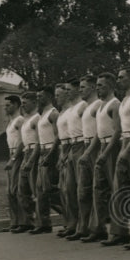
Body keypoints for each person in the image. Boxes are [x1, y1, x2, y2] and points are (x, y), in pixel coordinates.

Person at [103, 67, 130, 246]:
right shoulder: (124, 100)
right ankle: (120, 232)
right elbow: (121, 129)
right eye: (118, 77)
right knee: (119, 189)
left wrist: (128, 150)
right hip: (124, 142)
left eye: (122, 77)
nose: (118, 80)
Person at [91, 73, 122, 244]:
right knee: (99, 189)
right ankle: (99, 227)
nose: (97, 88)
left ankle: (119, 232)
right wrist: (92, 152)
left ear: (110, 86)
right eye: (96, 85)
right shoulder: (101, 106)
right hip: (102, 146)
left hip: (112, 147)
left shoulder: (115, 104)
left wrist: (106, 152)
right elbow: (98, 131)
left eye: (101, 85)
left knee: (115, 189)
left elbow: (117, 131)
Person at [75, 75, 104, 241]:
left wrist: (88, 152)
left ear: (93, 88)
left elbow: (99, 133)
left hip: (95, 147)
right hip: (85, 146)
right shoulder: (86, 107)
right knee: (84, 190)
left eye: (83, 87)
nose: (80, 90)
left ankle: (97, 227)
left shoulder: (98, 105)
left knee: (95, 189)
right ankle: (85, 226)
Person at [60, 78, 89, 240]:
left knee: (81, 189)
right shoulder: (70, 109)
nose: (66, 92)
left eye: (69, 89)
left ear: (77, 90)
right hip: (71, 146)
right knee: (69, 189)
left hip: (82, 145)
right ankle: (74, 223)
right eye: (65, 90)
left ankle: (83, 226)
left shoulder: (82, 106)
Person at [32, 85, 62, 233]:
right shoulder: (42, 114)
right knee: (40, 190)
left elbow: (58, 136)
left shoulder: (53, 113)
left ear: (49, 97)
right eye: (37, 96)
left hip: (51, 151)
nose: (38, 99)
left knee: (50, 189)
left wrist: (51, 155)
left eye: (41, 96)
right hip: (43, 152)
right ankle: (43, 224)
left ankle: (70, 217)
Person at [55, 80, 80, 236]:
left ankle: (75, 223)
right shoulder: (63, 112)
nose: (58, 97)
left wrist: (67, 152)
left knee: (71, 189)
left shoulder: (73, 109)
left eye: (61, 93)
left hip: (72, 146)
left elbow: (73, 133)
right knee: (64, 189)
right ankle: (69, 221)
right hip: (63, 148)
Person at [3, 94, 27, 232]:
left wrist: (13, 159)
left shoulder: (20, 120)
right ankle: (15, 221)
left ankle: (24, 222)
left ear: (17, 105)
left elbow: (22, 141)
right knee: (9, 191)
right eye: (5, 106)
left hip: (18, 155)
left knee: (17, 190)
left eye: (9, 105)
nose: (6, 108)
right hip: (11, 153)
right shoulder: (10, 122)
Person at [17, 92, 40, 233]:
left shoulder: (37, 118)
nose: (23, 105)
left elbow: (38, 142)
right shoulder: (26, 119)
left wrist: (31, 160)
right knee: (22, 190)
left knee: (36, 190)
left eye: (25, 103)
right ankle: (29, 220)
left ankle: (40, 221)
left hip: (33, 153)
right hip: (26, 152)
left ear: (33, 102)